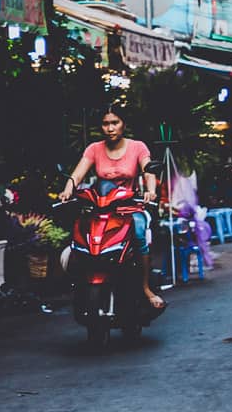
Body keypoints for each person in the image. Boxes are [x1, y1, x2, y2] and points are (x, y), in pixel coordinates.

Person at [59, 105, 164, 310]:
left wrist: (150, 190)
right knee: (83, 237)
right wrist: (67, 190)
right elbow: (78, 174)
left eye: (114, 122)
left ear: (123, 124)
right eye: (106, 123)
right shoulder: (94, 148)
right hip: (101, 209)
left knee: (140, 234)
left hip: (129, 208)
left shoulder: (137, 147)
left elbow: (148, 169)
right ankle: (83, 284)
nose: (110, 128)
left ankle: (145, 288)